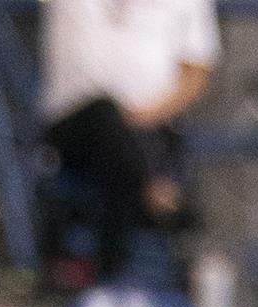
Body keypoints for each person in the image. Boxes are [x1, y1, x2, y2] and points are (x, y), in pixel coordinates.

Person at [41, 0, 221, 281]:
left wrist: (147, 115)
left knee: (121, 147)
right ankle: (159, 200)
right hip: (74, 130)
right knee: (105, 114)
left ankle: (110, 273)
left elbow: (196, 73)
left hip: (151, 129)